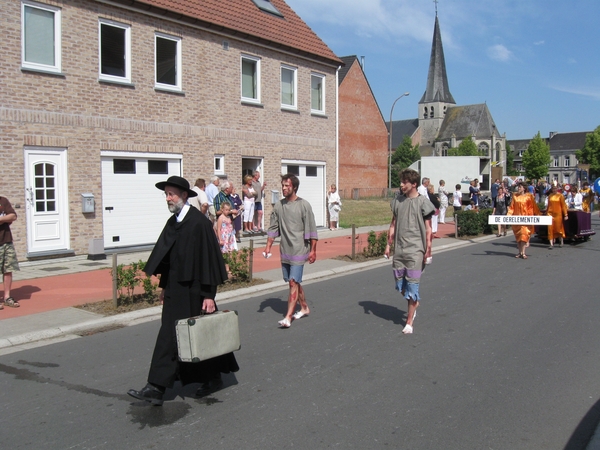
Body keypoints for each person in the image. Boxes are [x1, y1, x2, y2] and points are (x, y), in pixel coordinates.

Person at [128, 176, 238, 405]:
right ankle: (159, 387)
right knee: (172, 335)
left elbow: (210, 260)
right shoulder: (173, 222)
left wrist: (209, 295)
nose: (168, 198)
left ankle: (160, 387)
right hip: (176, 290)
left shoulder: (199, 223)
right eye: (166, 194)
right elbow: (169, 259)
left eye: (171, 194)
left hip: (196, 290)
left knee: (199, 336)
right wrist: (164, 287)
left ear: (184, 195)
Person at [384, 168, 434, 335]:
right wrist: (388, 245)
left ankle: (409, 321)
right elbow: (392, 225)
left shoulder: (423, 203)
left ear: (414, 184)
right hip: (399, 249)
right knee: (400, 285)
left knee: (412, 286)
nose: (401, 184)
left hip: (416, 250)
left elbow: (428, 229)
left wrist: (428, 250)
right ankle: (414, 301)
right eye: (401, 181)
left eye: (405, 182)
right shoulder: (398, 202)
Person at [264, 174, 318, 328]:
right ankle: (304, 307)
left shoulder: (304, 205)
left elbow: (312, 230)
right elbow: (273, 228)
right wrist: (268, 246)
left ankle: (288, 317)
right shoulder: (279, 206)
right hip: (285, 250)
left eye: (287, 185)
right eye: (283, 185)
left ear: (294, 187)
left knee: (293, 282)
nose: (284, 188)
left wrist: (313, 251)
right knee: (293, 282)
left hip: (300, 250)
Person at [507, 181, 541, 259]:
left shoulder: (529, 196)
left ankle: (523, 253)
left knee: (523, 235)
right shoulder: (515, 196)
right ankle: (520, 252)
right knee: (518, 236)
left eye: (520, 187)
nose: (518, 188)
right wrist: (508, 216)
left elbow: (533, 206)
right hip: (516, 219)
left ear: (524, 188)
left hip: (526, 219)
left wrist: (538, 215)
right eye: (518, 187)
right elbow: (511, 207)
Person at [0, 196, 20, 309]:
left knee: (8, 269)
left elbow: (13, 216)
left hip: (6, 240)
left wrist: (1, 219)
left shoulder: (3, 201)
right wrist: (5, 218)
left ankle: (7, 297)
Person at [215, 201, 236, 277]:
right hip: (224, 237)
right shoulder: (221, 218)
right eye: (226, 210)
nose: (227, 211)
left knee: (230, 252)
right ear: (222, 210)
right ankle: (226, 269)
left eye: (228, 210)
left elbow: (231, 225)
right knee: (225, 253)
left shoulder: (228, 217)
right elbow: (218, 228)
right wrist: (220, 239)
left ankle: (230, 267)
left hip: (229, 236)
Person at [546, 184, 568, 249]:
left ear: (557, 188)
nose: (554, 190)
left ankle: (561, 241)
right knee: (550, 228)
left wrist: (565, 214)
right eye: (553, 188)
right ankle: (551, 244)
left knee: (559, 228)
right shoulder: (550, 196)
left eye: (555, 188)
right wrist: (547, 212)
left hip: (558, 214)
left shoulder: (560, 196)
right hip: (550, 214)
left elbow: (563, 206)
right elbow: (549, 205)